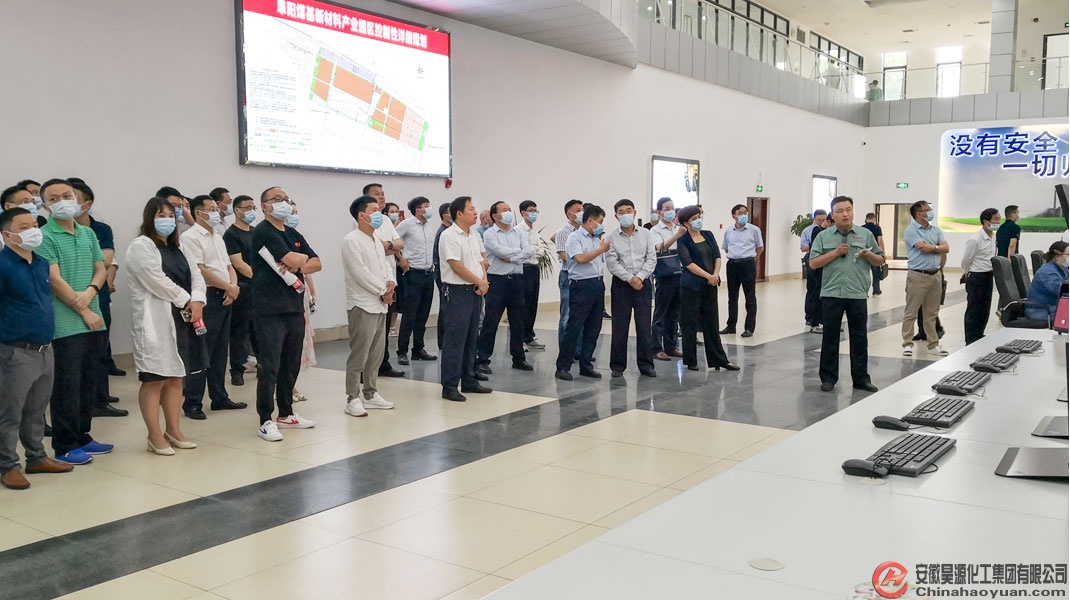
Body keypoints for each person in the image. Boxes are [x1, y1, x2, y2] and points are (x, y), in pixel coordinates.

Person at [37, 179, 113, 465]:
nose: (62, 201)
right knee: (66, 385)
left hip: (93, 318)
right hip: (65, 323)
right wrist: (84, 310)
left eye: (67, 195)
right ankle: (65, 444)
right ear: (45, 205)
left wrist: (91, 293)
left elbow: (100, 268)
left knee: (88, 381)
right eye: (54, 198)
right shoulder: (45, 236)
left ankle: (83, 435)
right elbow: (55, 281)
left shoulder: (87, 233)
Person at [0, 208, 73, 489]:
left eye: (34, 224)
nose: (33, 231)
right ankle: (8, 466)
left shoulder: (41, 263)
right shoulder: (3, 265)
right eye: (24, 227)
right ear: (7, 235)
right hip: (14, 350)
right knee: (10, 412)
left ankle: (37, 457)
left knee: (36, 409)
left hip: (44, 348)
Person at [126, 198, 205, 455]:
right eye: (162, 215)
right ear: (150, 217)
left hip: (183, 318)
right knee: (155, 379)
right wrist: (186, 300)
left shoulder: (179, 247)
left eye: (172, 215)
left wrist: (197, 300)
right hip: (156, 321)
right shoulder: (141, 246)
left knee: (176, 376)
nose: (168, 220)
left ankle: (174, 430)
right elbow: (155, 280)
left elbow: (196, 275)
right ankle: (154, 435)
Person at [250, 187, 321, 441]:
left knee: (291, 364)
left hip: (293, 307)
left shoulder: (292, 233)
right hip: (268, 309)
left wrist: (298, 263)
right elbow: (294, 259)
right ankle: (265, 419)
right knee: (269, 365)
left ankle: (286, 412)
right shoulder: (263, 232)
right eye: (277, 199)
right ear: (264, 206)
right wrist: (299, 261)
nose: (284, 203)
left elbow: (317, 263)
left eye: (286, 199)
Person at [809, 196, 885, 393]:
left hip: (857, 293)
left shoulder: (865, 234)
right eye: (840, 211)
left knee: (859, 337)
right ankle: (828, 378)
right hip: (831, 293)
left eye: (848, 210)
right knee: (830, 337)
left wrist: (868, 255)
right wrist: (834, 253)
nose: (845, 214)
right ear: (833, 215)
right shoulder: (823, 236)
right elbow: (813, 263)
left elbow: (880, 260)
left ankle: (861, 379)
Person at [180, 194, 246, 418]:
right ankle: (193, 402)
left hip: (225, 295)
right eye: (211, 209)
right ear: (198, 212)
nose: (216, 213)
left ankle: (219, 397)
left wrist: (232, 286)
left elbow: (228, 265)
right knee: (201, 350)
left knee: (219, 349)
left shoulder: (217, 236)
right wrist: (227, 287)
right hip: (206, 296)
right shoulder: (190, 237)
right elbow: (199, 269)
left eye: (216, 209)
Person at [68, 178, 127, 418]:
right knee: (71, 356)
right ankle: (76, 405)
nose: (67, 203)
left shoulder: (100, 229)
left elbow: (106, 260)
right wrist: (93, 260)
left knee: (99, 352)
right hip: (67, 299)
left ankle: (99, 401)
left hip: (98, 296)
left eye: (72, 198)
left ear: (88, 203)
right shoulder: (53, 232)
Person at [341, 196, 397, 417]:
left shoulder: (376, 239)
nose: (379, 214)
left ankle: (370, 393)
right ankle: (352, 398)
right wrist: (382, 290)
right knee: (360, 354)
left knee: (376, 353)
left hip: (381, 304)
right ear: (362, 215)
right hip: (362, 304)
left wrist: (390, 283)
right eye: (374, 210)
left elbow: (385, 265)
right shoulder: (351, 240)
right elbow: (359, 272)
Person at [438, 196, 492, 402]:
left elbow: (482, 260)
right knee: (455, 339)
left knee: (471, 337)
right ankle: (450, 385)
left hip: (475, 290)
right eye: (471, 209)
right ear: (459, 213)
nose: (475, 212)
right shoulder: (449, 236)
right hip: (457, 291)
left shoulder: (474, 235)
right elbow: (456, 266)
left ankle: (469, 379)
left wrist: (483, 281)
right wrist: (479, 281)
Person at [674, 206, 737, 372]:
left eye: (699, 216)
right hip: (691, 286)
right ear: (685, 223)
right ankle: (691, 360)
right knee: (690, 322)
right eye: (694, 218)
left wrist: (715, 275)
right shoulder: (683, 240)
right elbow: (688, 263)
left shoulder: (708, 234)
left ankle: (719, 359)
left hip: (710, 284)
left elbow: (717, 256)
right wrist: (708, 276)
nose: (698, 220)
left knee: (711, 322)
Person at [477, 201, 535, 374]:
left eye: (509, 209)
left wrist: (511, 257)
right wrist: (517, 254)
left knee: (517, 321)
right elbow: (499, 252)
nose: (509, 212)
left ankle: (518, 358)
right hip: (497, 281)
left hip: (517, 280)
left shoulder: (518, 232)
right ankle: (483, 359)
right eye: (504, 210)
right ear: (495, 216)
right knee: (491, 321)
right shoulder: (489, 234)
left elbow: (529, 251)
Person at [555, 204, 611, 381]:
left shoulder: (596, 238)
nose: (601, 225)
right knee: (575, 326)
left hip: (597, 284)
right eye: (600, 221)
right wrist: (600, 249)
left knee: (594, 327)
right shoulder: (574, 237)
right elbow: (579, 258)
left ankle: (586, 365)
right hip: (581, 285)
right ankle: (563, 366)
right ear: (591, 221)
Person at [605, 199, 657, 378]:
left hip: (643, 283)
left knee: (644, 326)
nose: (625, 214)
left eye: (628, 211)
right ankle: (617, 366)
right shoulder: (611, 237)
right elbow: (612, 263)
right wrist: (630, 278)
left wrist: (640, 277)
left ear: (634, 213)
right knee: (619, 326)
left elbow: (651, 258)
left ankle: (646, 365)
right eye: (621, 212)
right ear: (616, 216)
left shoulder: (646, 234)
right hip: (622, 284)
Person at [364, 183, 406, 378]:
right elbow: (372, 248)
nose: (382, 197)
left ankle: (383, 364)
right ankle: (365, 369)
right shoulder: (362, 221)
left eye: (383, 194)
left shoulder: (386, 220)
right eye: (377, 194)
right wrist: (389, 246)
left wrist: (386, 246)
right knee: (370, 330)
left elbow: (399, 244)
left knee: (385, 326)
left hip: (389, 279)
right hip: (372, 282)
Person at [394, 196, 439, 365]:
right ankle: (402, 351)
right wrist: (401, 259)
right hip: (413, 273)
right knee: (410, 314)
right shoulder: (407, 224)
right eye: (426, 206)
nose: (429, 208)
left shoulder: (428, 225)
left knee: (423, 313)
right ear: (418, 210)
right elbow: (393, 242)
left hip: (428, 273)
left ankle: (418, 349)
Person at [901, 200, 949, 357]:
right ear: (919, 214)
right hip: (917, 275)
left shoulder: (935, 230)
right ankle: (907, 343)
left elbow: (946, 248)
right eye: (927, 210)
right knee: (911, 311)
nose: (930, 212)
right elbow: (922, 248)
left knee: (931, 313)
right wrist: (936, 247)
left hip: (935, 275)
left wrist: (932, 248)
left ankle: (933, 343)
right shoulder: (911, 230)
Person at [224, 194, 259, 386]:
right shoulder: (231, 234)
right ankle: (237, 371)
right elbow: (238, 264)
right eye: (248, 208)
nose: (252, 211)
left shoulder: (255, 232)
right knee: (239, 331)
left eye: (253, 207)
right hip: (243, 288)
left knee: (259, 331)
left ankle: (263, 366)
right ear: (237, 210)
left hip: (259, 289)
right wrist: (260, 278)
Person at [650, 197, 686, 360]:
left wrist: (679, 233)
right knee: (661, 313)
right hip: (664, 275)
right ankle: (656, 348)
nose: (671, 211)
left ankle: (671, 346)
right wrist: (677, 236)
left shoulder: (679, 228)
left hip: (680, 273)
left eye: (672, 208)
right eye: (667, 209)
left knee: (674, 312)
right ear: (659, 212)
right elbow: (661, 247)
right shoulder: (655, 231)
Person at [721, 204, 764, 337]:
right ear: (734, 216)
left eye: (746, 212)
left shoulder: (754, 230)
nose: (744, 215)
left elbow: (760, 247)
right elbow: (726, 248)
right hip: (732, 264)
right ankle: (731, 326)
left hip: (747, 264)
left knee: (749, 296)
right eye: (741, 213)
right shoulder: (729, 231)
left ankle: (749, 328)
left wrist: (753, 259)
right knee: (732, 297)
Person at [960, 208, 999, 345]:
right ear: (986, 221)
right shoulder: (975, 239)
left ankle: (979, 334)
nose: (998, 222)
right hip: (977, 276)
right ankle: (971, 339)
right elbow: (965, 260)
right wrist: (967, 272)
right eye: (995, 219)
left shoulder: (993, 237)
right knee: (974, 309)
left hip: (988, 275)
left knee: (985, 308)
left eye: (999, 219)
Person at [515, 200, 546, 351]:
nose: (534, 213)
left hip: (534, 268)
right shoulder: (518, 230)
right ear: (523, 213)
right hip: (523, 269)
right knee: (522, 304)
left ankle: (529, 336)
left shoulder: (534, 230)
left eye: (536, 210)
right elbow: (522, 251)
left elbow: (542, 250)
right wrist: (533, 250)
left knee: (532, 303)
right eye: (531, 210)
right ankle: (519, 338)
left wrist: (531, 250)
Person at [555, 200, 583, 348]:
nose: (582, 213)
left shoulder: (585, 232)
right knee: (566, 315)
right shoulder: (563, 232)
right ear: (569, 214)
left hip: (582, 277)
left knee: (580, 314)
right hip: (568, 275)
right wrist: (582, 258)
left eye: (582, 209)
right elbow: (564, 255)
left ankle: (578, 349)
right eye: (578, 210)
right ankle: (565, 350)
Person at [1025, 241, 1069, 322]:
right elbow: (1061, 291)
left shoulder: (1063, 270)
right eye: (1068, 255)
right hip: (1041, 311)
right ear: (1057, 256)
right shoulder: (1047, 271)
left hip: (1053, 308)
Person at [801, 209, 827, 333]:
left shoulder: (827, 230)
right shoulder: (809, 230)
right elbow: (803, 247)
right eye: (819, 220)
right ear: (814, 219)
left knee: (821, 290)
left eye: (824, 220)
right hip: (811, 258)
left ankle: (821, 317)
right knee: (812, 289)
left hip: (824, 260)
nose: (822, 222)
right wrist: (815, 244)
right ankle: (810, 317)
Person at [433, 202, 452, 349]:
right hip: (442, 273)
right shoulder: (444, 233)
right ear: (445, 215)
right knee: (445, 306)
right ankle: (443, 341)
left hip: (443, 272)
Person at [861, 213, 885, 296]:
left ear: (866, 219)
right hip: (874, 253)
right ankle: (876, 289)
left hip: (864, 253)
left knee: (864, 272)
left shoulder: (862, 228)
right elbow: (880, 240)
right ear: (874, 219)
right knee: (876, 272)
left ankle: (864, 291)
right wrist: (882, 253)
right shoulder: (877, 228)